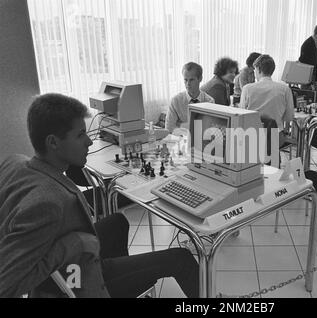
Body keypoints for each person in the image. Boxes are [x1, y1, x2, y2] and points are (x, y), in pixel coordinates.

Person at [0, 93, 199, 298]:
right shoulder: (48, 203)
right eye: (79, 135)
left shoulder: (14, 162)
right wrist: (71, 245)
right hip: (78, 282)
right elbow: (6, 284)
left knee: (117, 222)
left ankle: (127, 283)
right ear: (53, 142)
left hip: (75, 263)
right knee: (180, 258)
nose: (88, 141)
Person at [240, 54, 294, 133]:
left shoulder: (247, 89)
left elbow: (242, 116)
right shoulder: (285, 89)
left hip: (252, 135)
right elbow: (289, 117)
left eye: (254, 70)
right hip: (275, 136)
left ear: (258, 69)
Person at [165, 62, 214, 133]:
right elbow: (169, 128)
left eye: (191, 80)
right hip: (180, 141)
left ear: (200, 79)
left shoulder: (210, 102)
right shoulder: (175, 101)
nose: (188, 84)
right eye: (185, 80)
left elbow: (210, 129)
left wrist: (181, 126)